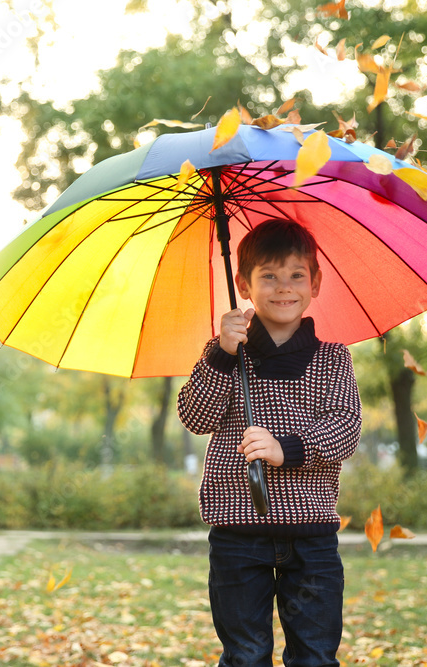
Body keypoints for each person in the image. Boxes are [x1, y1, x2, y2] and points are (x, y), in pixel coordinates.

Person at [177, 218, 362, 667]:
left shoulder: (332, 358)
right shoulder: (225, 353)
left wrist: (287, 448)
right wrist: (221, 353)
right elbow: (195, 416)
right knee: (246, 653)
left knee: (315, 654)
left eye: (297, 275)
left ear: (315, 283)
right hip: (239, 532)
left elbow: (345, 428)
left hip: (311, 534)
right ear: (243, 283)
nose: (284, 287)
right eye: (269, 276)